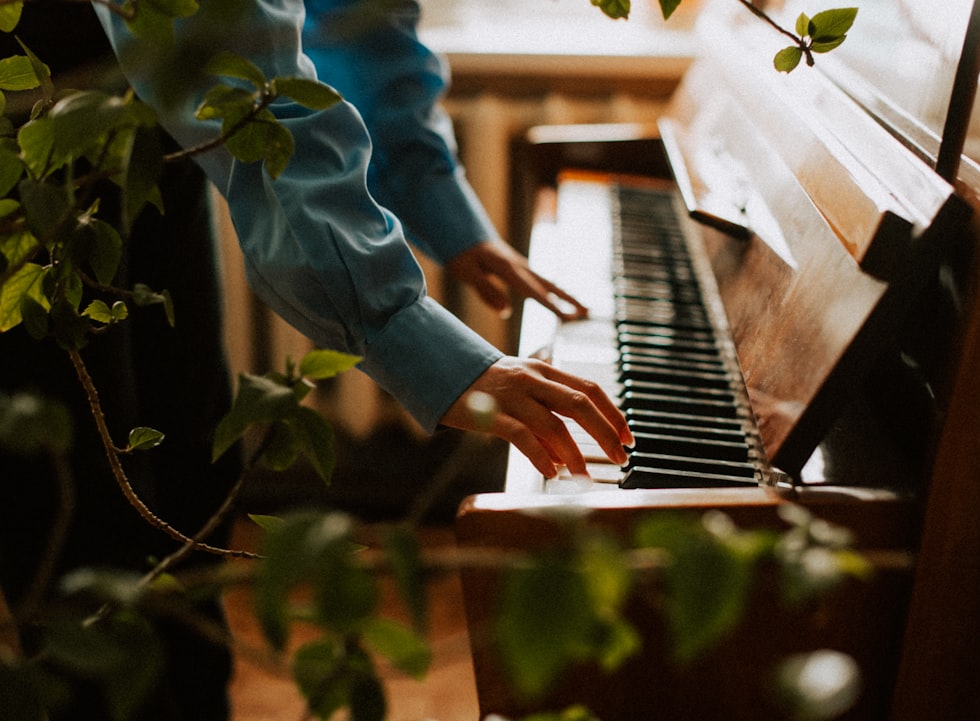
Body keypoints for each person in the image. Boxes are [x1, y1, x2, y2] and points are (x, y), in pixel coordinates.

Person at [95, 0, 634, 482]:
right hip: (41, 147)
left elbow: (355, 19)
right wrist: (412, 339)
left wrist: (428, 188)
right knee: (95, 489)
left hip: (153, 145)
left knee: (187, 458)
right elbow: (260, 105)